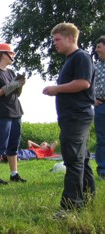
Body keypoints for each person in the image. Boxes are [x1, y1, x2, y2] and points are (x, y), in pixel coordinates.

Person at [42, 22, 96, 217]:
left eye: (57, 39)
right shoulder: (71, 59)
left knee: (72, 160)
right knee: (83, 159)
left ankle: (70, 207)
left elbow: (83, 82)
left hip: (77, 115)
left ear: (71, 38)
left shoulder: (81, 57)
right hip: (72, 116)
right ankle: (88, 198)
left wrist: (57, 89)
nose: (54, 43)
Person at [0, 43, 27, 186]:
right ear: (4, 55)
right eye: (12, 53)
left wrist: (19, 85)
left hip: (16, 111)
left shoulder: (10, 72)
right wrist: (11, 86)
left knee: (13, 145)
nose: (13, 56)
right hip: (3, 113)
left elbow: (17, 94)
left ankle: (14, 174)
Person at [93, 36, 105, 180]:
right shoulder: (95, 66)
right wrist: (93, 99)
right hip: (100, 106)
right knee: (102, 139)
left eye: (99, 47)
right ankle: (103, 171)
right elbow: (88, 84)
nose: (96, 50)